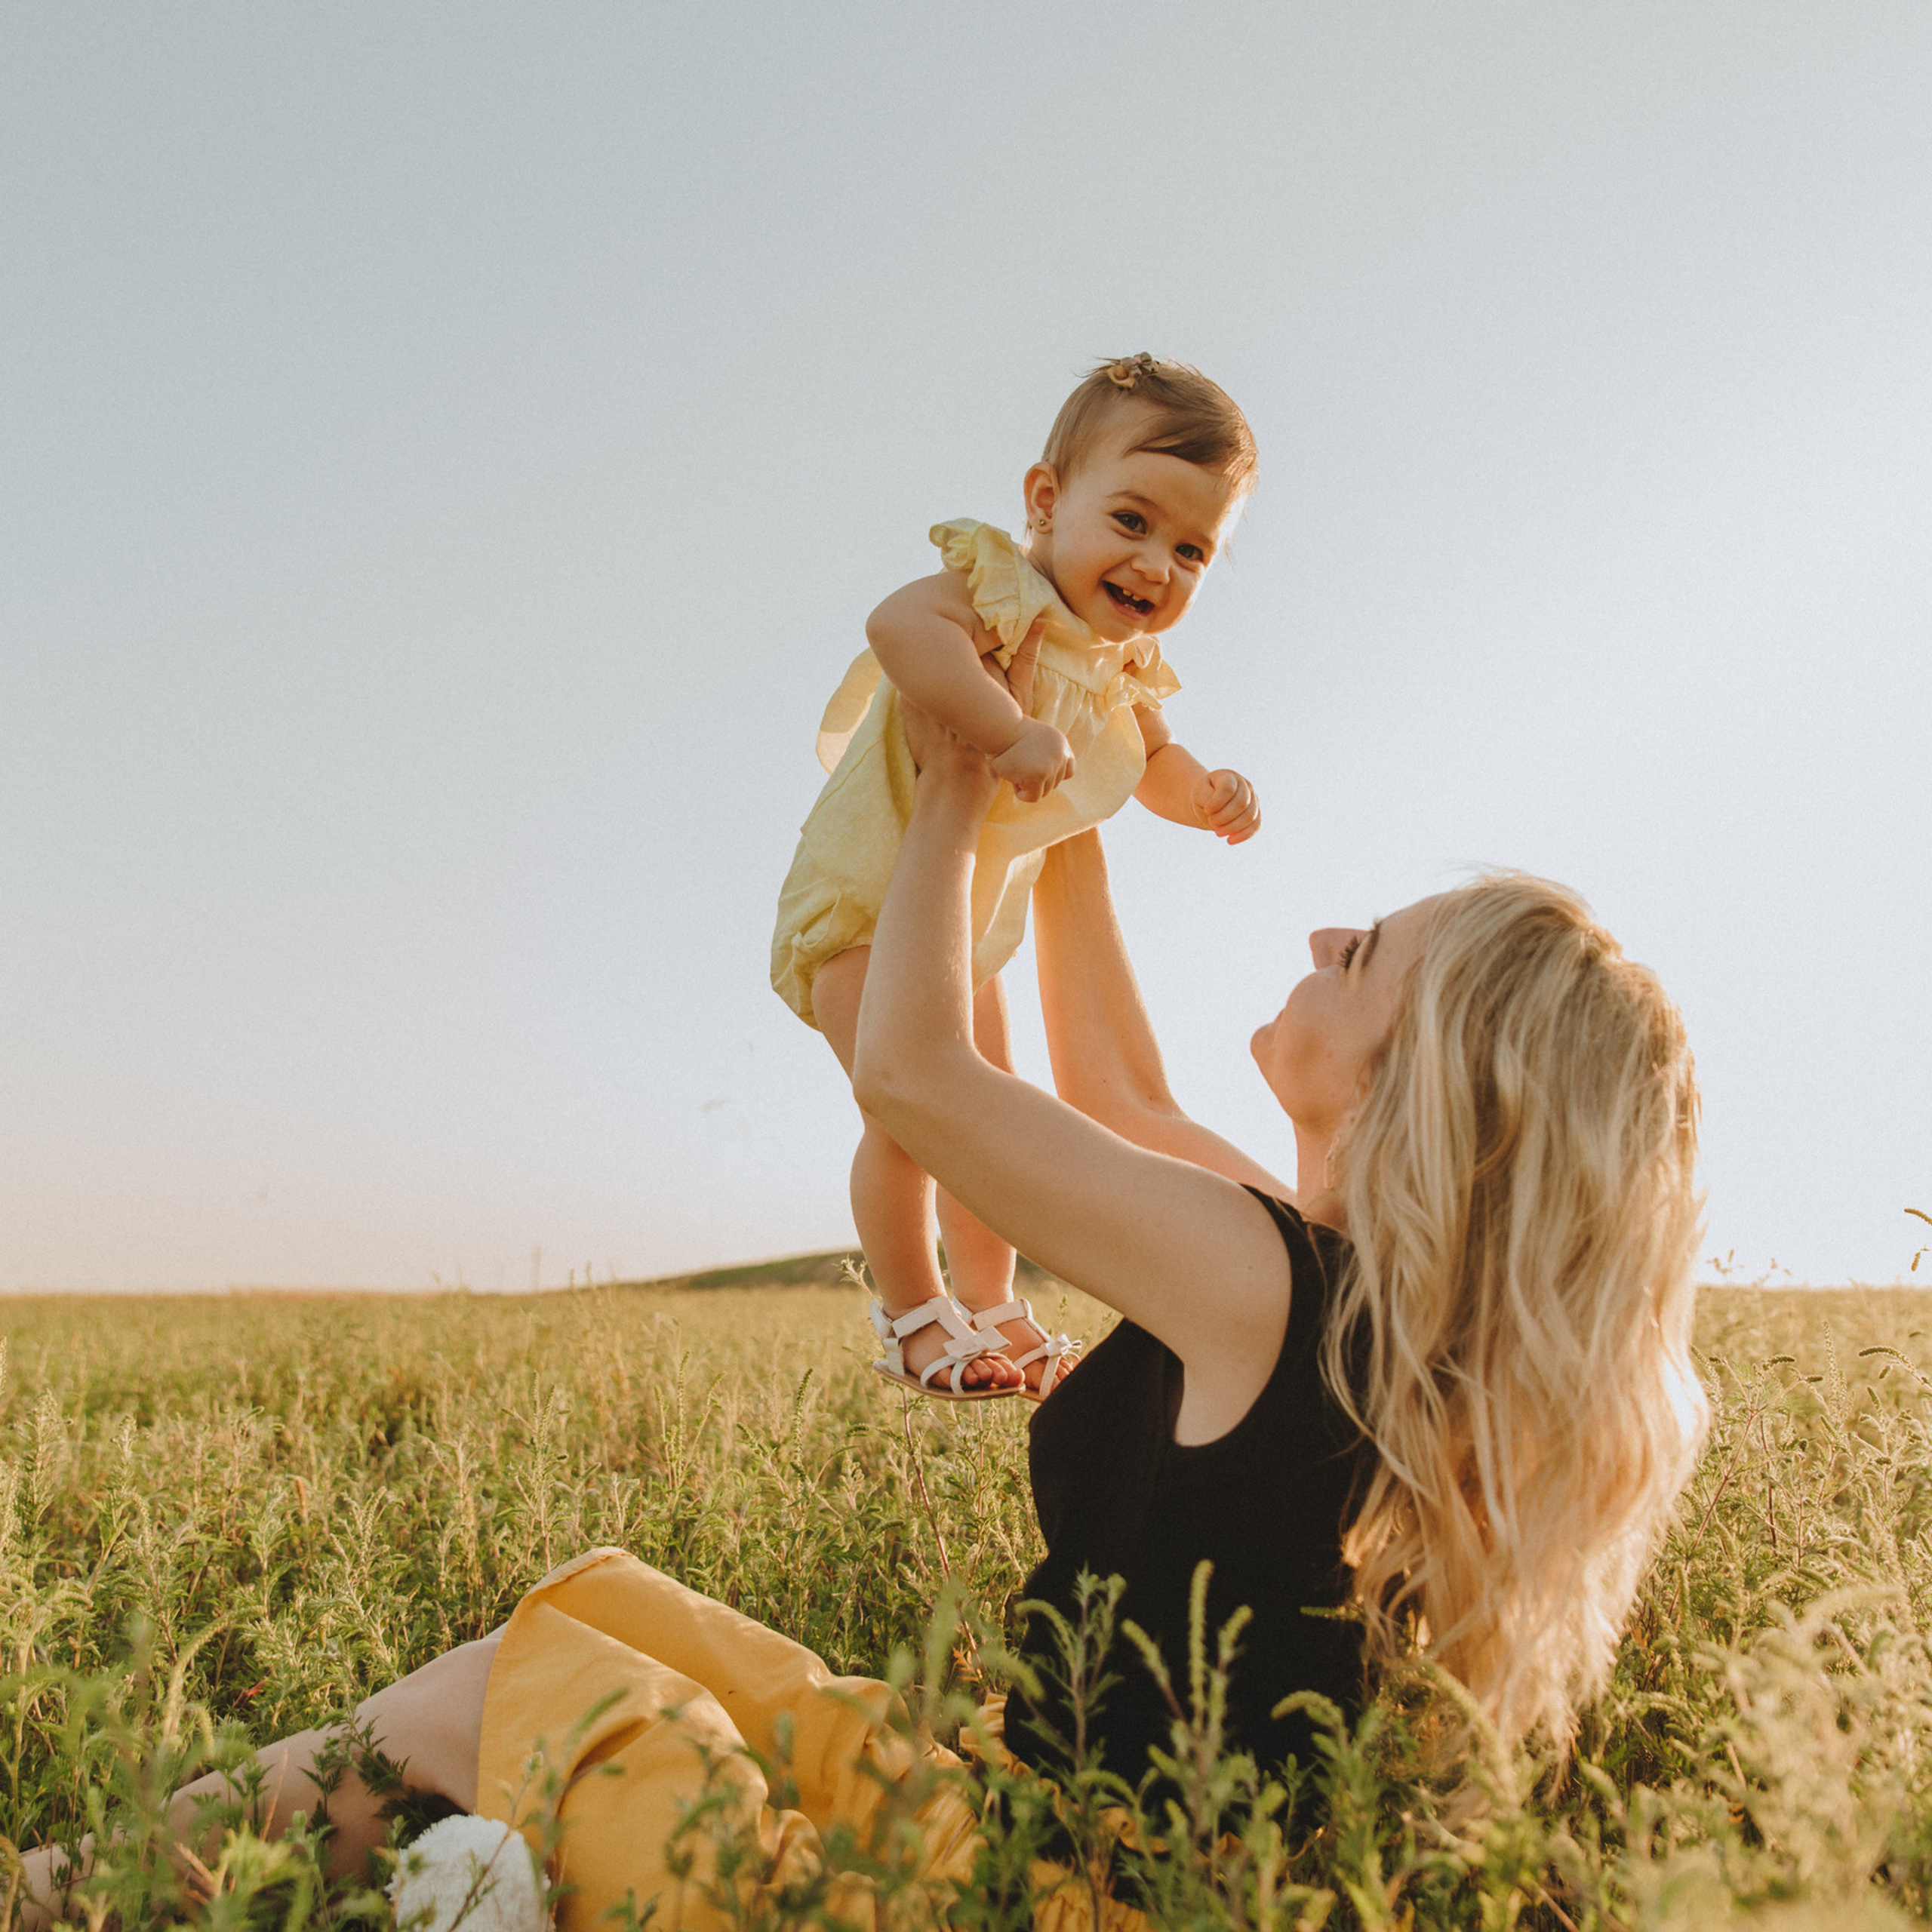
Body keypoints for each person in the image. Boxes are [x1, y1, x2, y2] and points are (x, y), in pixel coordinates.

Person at [20, 709, 1708, 1932]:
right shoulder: (1315, 1289)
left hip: (1036, 1891)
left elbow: (913, 1071)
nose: (1322, 932)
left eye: (1367, 957)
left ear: (1425, 1079)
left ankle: (69, 1906)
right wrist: (1078, 745)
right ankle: (79, 1890)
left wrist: (959, 777)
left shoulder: (1258, 1273)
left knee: (534, 1687)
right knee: (602, 1607)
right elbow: (1110, 1081)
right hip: (999, 1806)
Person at [771, 353, 1263, 1401]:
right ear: (1046, 502)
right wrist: (1005, 726)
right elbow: (901, 627)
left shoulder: (1118, 666)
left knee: (988, 1124)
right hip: (864, 904)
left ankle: (992, 1302)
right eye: (1130, 521)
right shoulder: (1002, 592)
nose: (1156, 564)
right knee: (906, 1116)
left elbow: (1154, 766)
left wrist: (1209, 792)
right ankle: (910, 1314)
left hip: (964, 924)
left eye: (1191, 549)